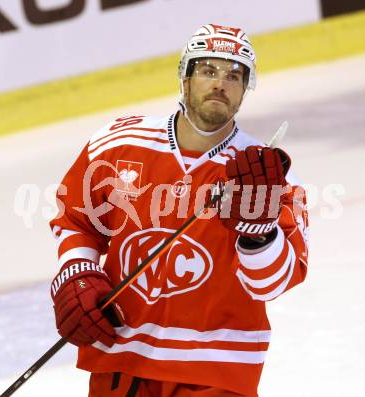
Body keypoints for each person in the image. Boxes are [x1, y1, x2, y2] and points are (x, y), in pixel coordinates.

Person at [50, 24, 309, 397]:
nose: (220, 83)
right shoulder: (118, 142)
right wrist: (77, 270)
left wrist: (259, 233)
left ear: (245, 89)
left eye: (234, 75)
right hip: (123, 357)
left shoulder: (270, 175)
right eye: (208, 71)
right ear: (184, 77)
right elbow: (75, 218)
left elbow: (272, 282)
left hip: (217, 369)